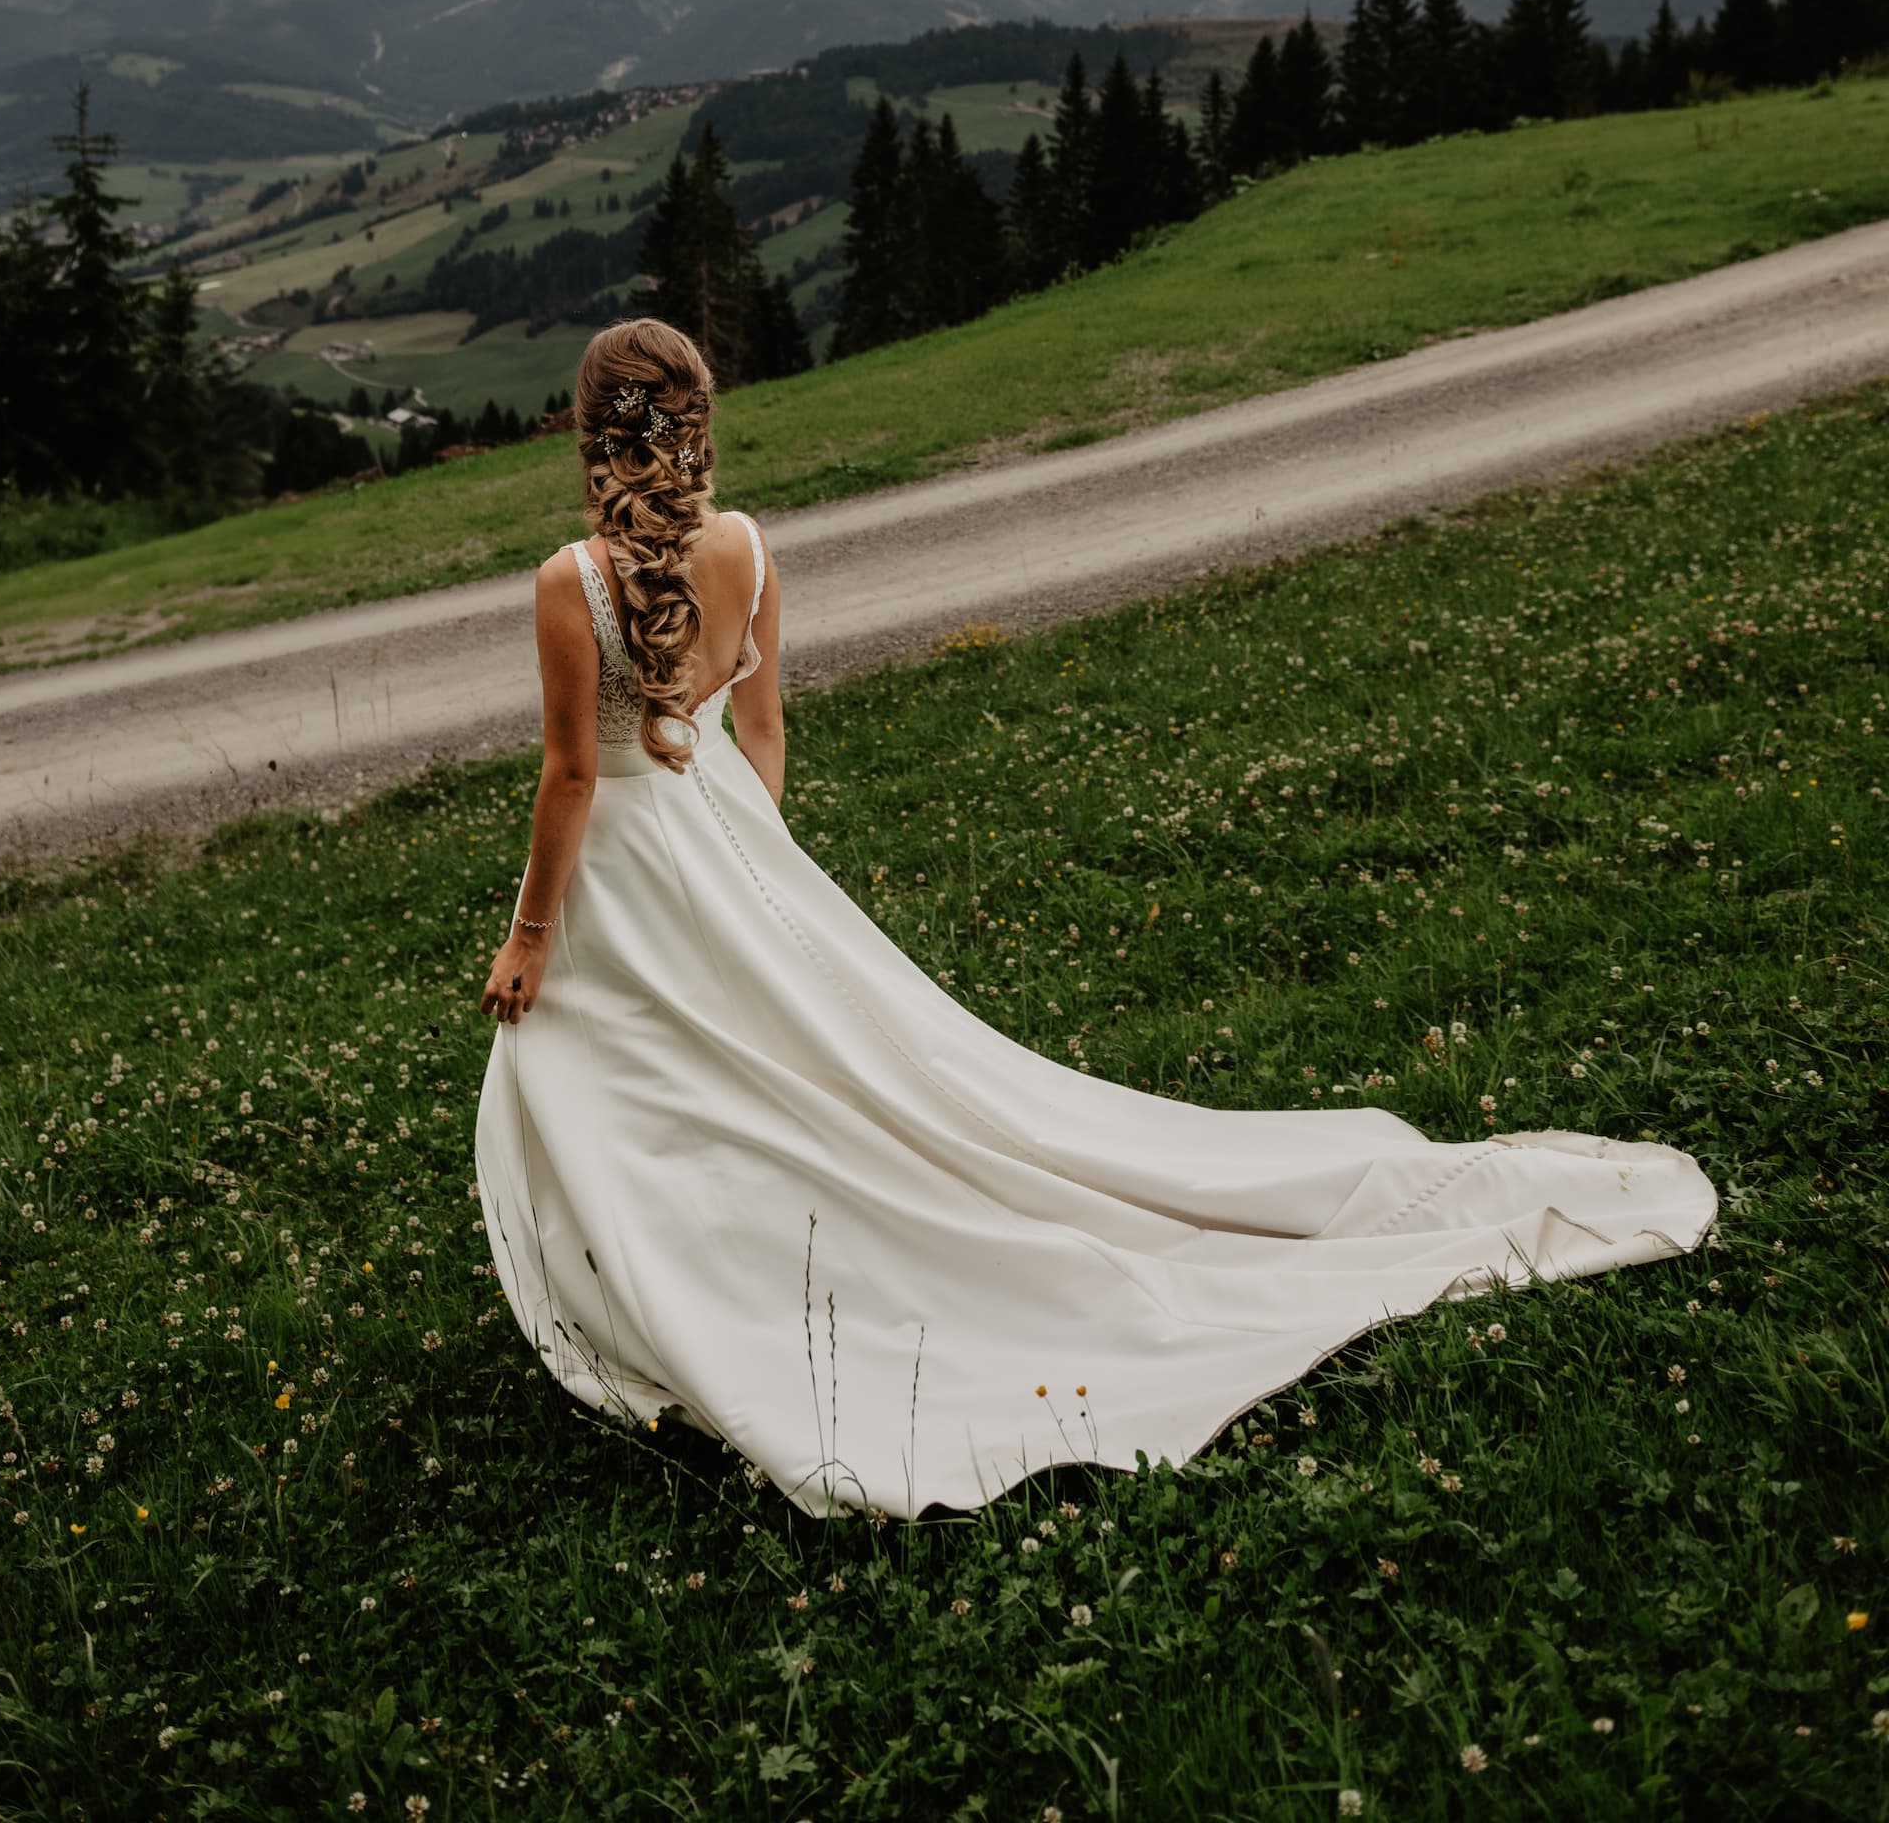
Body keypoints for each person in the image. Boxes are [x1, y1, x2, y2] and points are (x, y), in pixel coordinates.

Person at [475, 317, 1714, 1519]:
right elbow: (763, 729)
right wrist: (763, 865)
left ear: (588, 437)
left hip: (628, 868)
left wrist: (532, 933)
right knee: (793, 1065)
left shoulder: (563, 584)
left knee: (631, 1074)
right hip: (734, 834)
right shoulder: (744, 544)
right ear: (696, 428)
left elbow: (575, 777)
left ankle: (665, 1284)